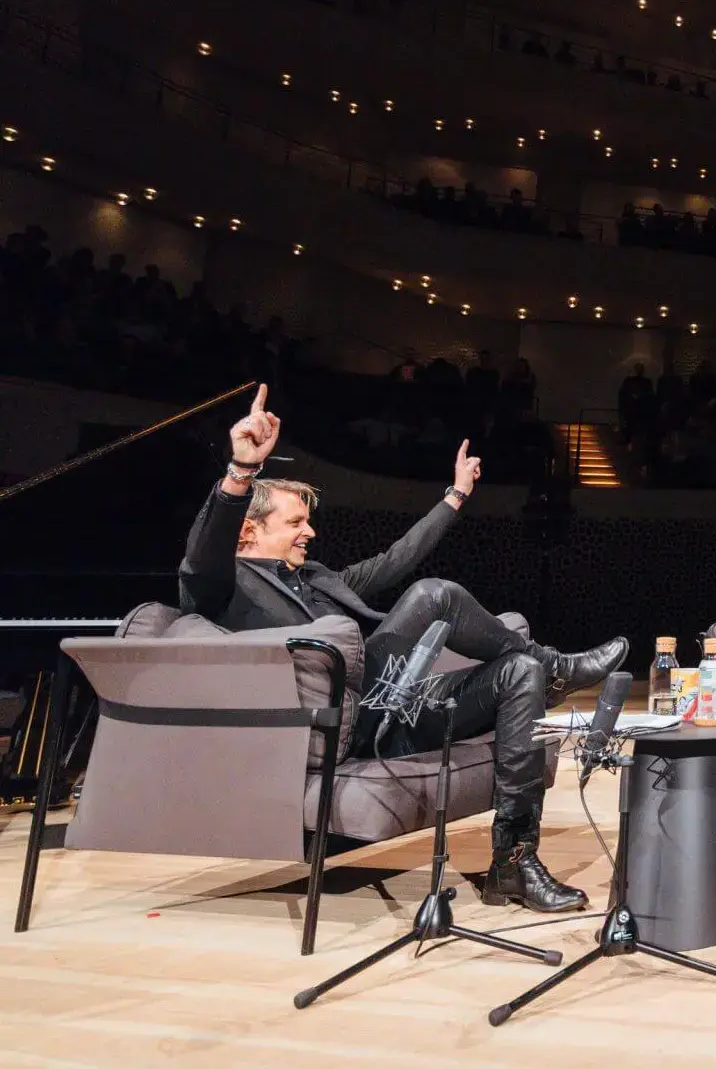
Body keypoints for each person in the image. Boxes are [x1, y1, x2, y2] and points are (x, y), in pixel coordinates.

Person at [179, 386, 629, 913]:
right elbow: (201, 556)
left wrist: (455, 496)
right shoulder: (224, 584)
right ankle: (560, 668)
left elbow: (396, 559)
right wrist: (241, 470)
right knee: (435, 595)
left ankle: (513, 862)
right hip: (343, 720)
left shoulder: (318, 578)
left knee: (519, 671)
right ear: (246, 533)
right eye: (295, 523)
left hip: (395, 710)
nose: (310, 531)